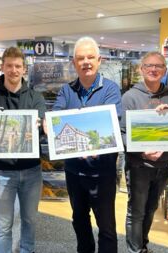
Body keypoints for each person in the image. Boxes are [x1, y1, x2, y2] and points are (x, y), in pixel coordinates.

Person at [52, 36, 121, 253]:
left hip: (102, 173)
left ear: (99, 60)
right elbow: (56, 116)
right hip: (74, 171)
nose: (86, 62)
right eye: (80, 58)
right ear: (74, 63)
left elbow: (111, 123)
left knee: (107, 226)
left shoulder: (110, 90)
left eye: (90, 57)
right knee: (79, 219)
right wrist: (49, 124)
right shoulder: (66, 90)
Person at [0, 47, 46, 253]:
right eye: (9, 65)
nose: (13, 70)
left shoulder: (36, 98)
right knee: (3, 224)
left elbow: (43, 131)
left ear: (24, 69)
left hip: (32, 171)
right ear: (2, 67)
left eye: (18, 66)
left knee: (30, 220)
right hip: (1, 172)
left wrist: (41, 126)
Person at [120, 52, 168, 253]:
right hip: (138, 166)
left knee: (151, 209)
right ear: (141, 69)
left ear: (165, 70)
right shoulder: (130, 97)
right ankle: (135, 250)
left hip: (163, 165)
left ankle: (142, 245)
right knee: (136, 211)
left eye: (158, 66)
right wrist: (142, 152)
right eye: (149, 66)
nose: (153, 69)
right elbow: (121, 134)